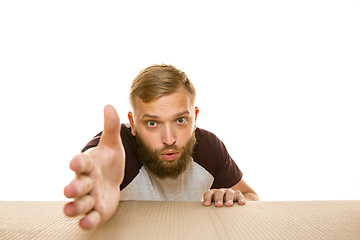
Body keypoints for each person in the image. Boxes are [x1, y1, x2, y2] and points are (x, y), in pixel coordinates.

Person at [63, 64, 259, 230]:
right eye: (152, 123)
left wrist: (232, 199)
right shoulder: (116, 148)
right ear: (132, 122)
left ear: (195, 117)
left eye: (180, 120)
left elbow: (252, 197)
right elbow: (96, 162)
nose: (169, 139)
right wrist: (94, 176)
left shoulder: (209, 147)